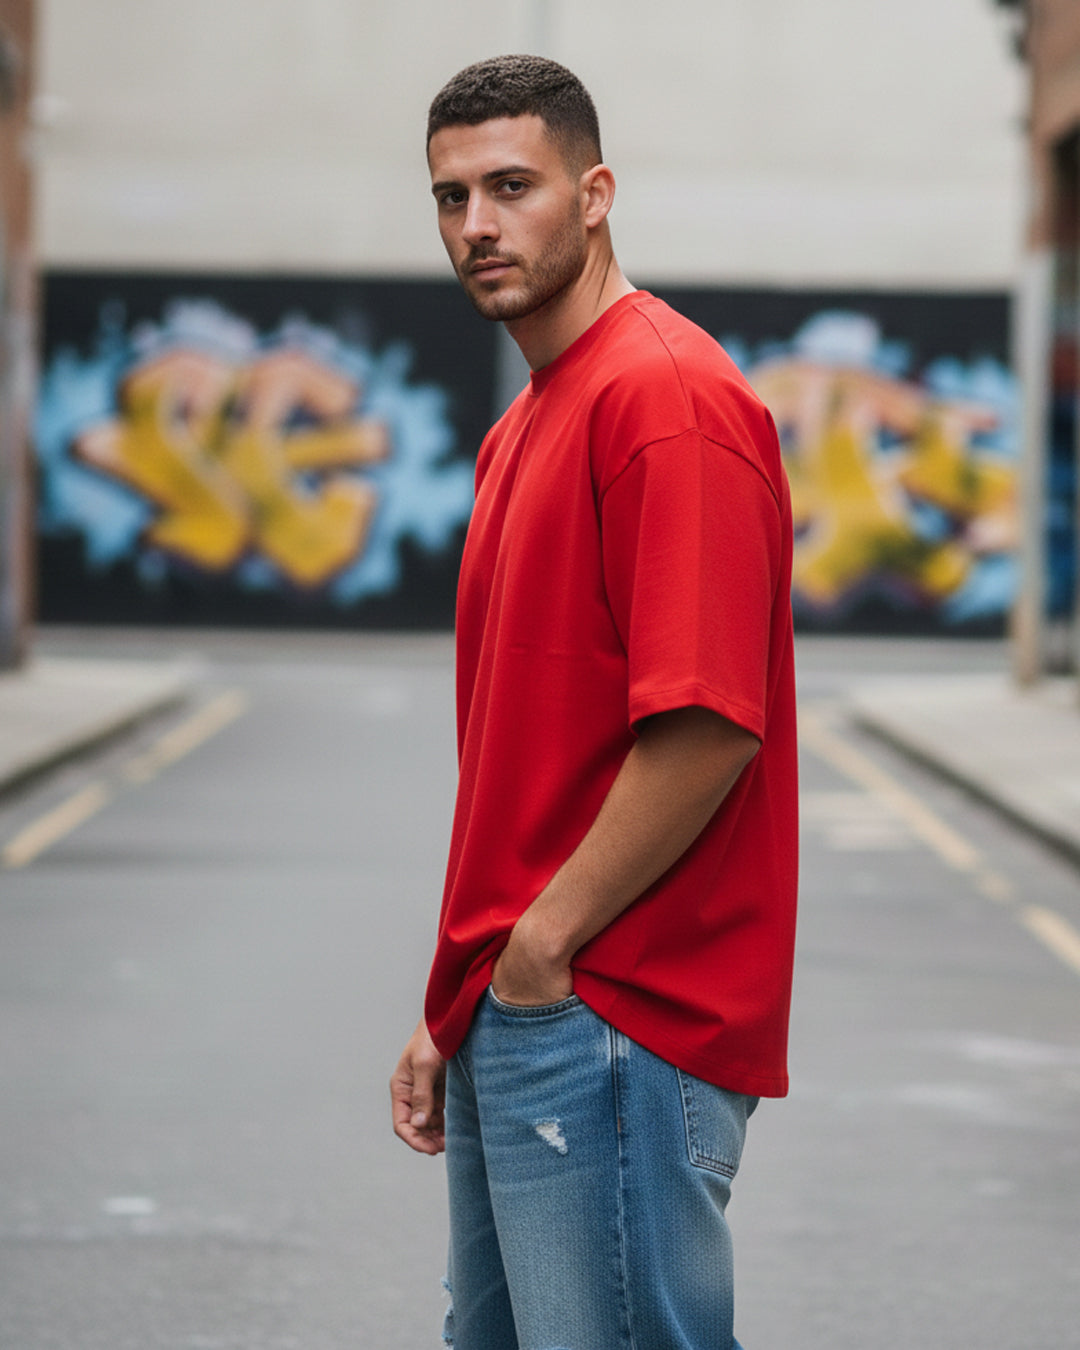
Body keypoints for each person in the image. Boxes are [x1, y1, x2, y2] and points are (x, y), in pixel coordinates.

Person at [390, 53, 798, 1350]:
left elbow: (708, 720)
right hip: (528, 1006)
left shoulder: (663, 401)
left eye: (513, 186)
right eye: (452, 196)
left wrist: (539, 949)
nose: (478, 226)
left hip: (619, 1009)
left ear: (597, 190)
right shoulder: (533, 419)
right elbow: (533, 756)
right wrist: (454, 998)